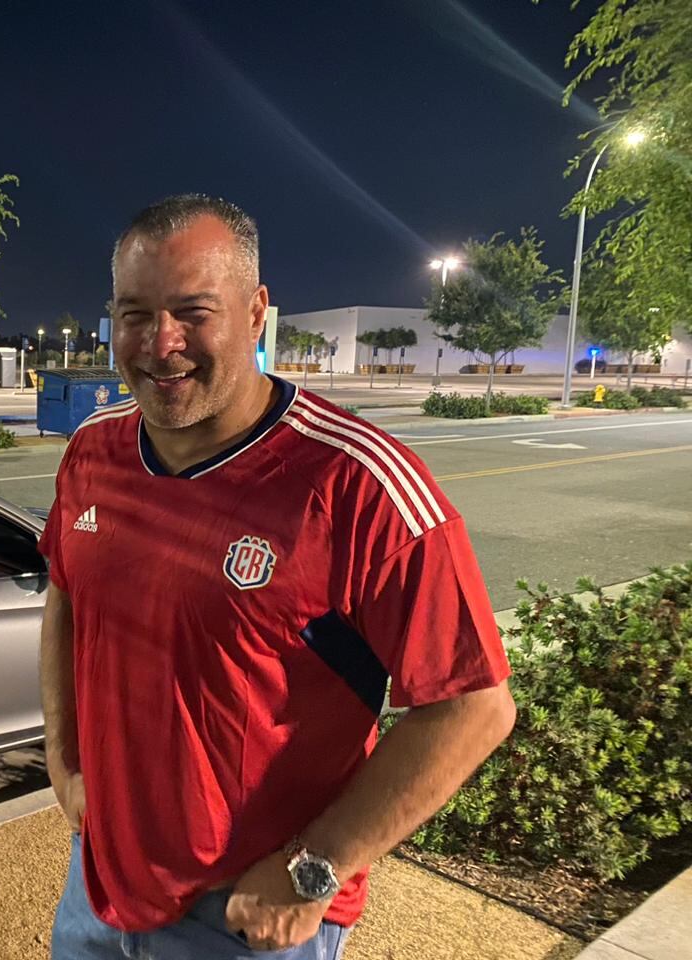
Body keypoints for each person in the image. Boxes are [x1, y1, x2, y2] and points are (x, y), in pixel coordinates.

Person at [38, 195, 516, 959]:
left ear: (256, 312)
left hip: (246, 919)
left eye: (193, 311)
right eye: (135, 313)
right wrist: (63, 767)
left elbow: (474, 709)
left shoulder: (359, 484)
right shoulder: (94, 451)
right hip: (96, 889)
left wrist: (314, 870)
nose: (161, 344)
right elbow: (66, 593)